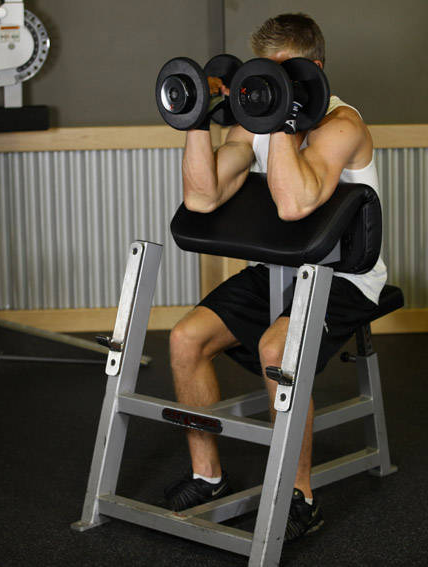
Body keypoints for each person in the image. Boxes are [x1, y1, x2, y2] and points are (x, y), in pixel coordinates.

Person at [165, 12, 387, 541]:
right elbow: (201, 197)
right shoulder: (252, 120)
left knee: (276, 349)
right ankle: (207, 476)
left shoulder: (342, 125)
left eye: (287, 75)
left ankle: (298, 495)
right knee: (183, 340)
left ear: (314, 69)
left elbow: (294, 206)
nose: (269, 87)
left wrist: (284, 117)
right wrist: (196, 121)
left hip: (345, 277)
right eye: (267, 74)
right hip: (277, 270)